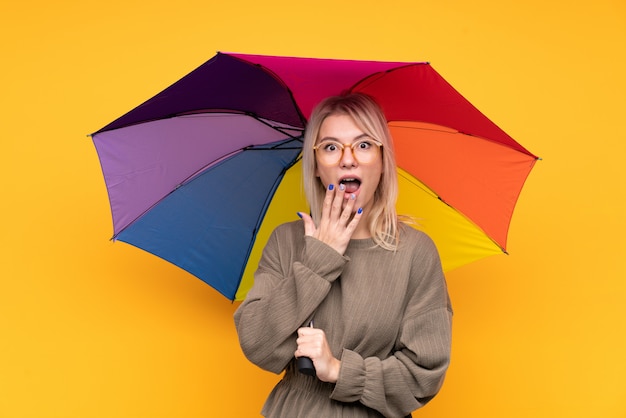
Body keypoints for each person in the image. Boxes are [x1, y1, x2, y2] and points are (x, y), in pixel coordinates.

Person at [234, 93, 453, 418]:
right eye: (331, 147)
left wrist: (339, 370)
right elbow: (257, 344)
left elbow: (423, 375)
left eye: (363, 145)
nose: (347, 159)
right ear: (317, 166)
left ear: (382, 161)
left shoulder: (414, 252)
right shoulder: (287, 240)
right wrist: (318, 260)